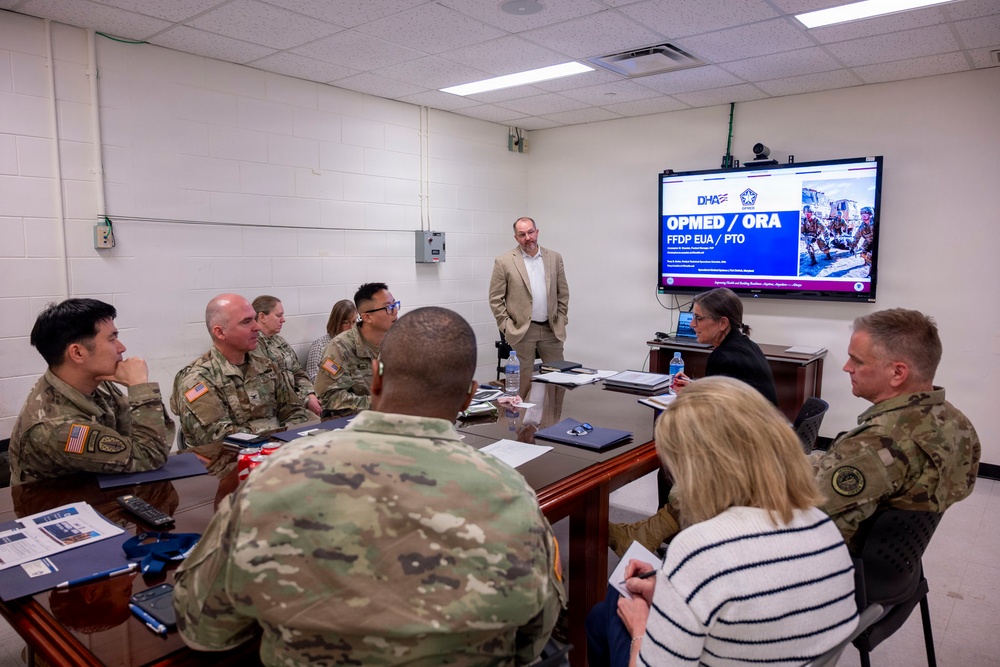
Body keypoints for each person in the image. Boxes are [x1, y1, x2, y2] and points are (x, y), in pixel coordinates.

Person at [174, 307, 566, 665]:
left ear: (376, 376)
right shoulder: (511, 495)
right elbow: (532, 640)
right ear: (468, 396)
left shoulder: (274, 479)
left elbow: (205, 628)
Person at [586, 377, 858, 667]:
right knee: (611, 605)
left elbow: (719, 571)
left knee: (613, 606)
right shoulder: (820, 522)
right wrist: (673, 594)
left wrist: (640, 628)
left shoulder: (701, 547)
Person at [610, 288, 777, 556]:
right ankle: (658, 536)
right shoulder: (742, 346)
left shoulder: (726, 356)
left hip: (748, 453)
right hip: (760, 442)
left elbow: (715, 419)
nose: (691, 324)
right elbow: (731, 395)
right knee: (668, 469)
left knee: (672, 464)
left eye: (699, 318)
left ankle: (675, 543)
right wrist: (698, 388)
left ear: (722, 323)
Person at [812, 308, 980, 551]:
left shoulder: (879, 441)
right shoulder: (955, 420)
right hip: (895, 569)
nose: (846, 367)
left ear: (898, 373)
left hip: (842, 569)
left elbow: (816, 523)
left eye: (857, 360)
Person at [8, 298, 174, 485]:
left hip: (98, 489)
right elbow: (150, 456)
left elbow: (154, 441)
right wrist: (140, 387)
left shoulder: (95, 382)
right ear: (77, 353)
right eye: (112, 339)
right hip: (56, 507)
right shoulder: (56, 426)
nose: (121, 348)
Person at [170, 294, 314, 447]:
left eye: (254, 319)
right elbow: (219, 438)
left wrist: (284, 441)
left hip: (276, 454)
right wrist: (275, 438)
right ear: (220, 332)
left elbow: (294, 412)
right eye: (246, 322)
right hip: (227, 464)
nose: (257, 327)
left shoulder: (267, 367)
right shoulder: (197, 379)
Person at [489, 216, 569, 391]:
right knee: (521, 383)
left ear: (537, 232)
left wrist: (561, 319)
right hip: (522, 331)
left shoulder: (554, 258)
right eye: (522, 234)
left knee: (558, 381)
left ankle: (554, 418)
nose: (528, 238)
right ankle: (517, 418)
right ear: (516, 238)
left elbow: (563, 293)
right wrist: (506, 326)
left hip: (551, 329)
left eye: (531, 232)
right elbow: (495, 298)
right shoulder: (504, 261)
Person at [314, 282, 398, 418]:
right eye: (388, 307)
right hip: (350, 421)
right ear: (367, 317)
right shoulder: (340, 347)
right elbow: (330, 397)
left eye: (395, 304)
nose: (395, 311)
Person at [251, 295, 321, 416]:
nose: (283, 320)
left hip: (294, 406)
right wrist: (304, 400)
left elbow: (298, 373)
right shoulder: (254, 344)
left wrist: (309, 394)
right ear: (262, 317)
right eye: (278, 315)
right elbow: (268, 386)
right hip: (272, 411)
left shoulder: (280, 342)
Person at [305, 299, 357, 382]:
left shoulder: (358, 345)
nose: (351, 327)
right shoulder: (320, 346)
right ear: (336, 322)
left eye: (354, 322)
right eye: (346, 323)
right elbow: (313, 379)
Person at [851, 206, 876, 277]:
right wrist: (852, 247)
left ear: (870, 214)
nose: (863, 217)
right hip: (869, 241)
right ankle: (866, 262)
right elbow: (856, 237)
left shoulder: (876, 222)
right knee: (863, 253)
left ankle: (871, 273)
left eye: (865, 215)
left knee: (871, 256)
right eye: (862, 215)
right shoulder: (862, 226)